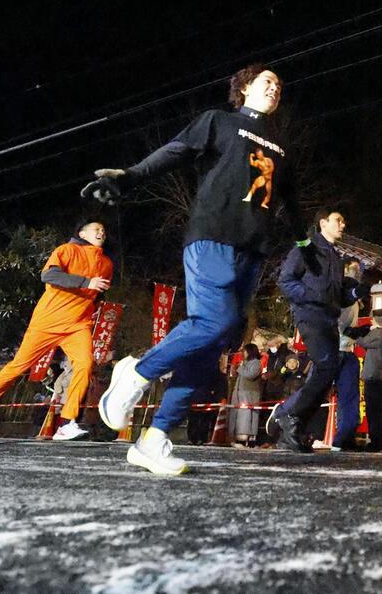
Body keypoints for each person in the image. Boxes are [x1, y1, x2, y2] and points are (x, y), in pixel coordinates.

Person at [87, 64, 306, 475]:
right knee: (213, 320)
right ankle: (136, 371)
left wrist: (306, 246)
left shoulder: (279, 148)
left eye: (279, 83)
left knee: (212, 346)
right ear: (244, 89)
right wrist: (130, 176)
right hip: (212, 237)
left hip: (252, 251)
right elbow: (176, 150)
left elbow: (291, 203)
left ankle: (154, 439)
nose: (275, 87)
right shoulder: (219, 122)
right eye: (266, 81)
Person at [0, 221, 113, 442]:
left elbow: (98, 291)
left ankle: (66, 423)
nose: (101, 232)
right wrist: (86, 282)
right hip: (47, 322)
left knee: (85, 365)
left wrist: (94, 296)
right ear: (82, 233)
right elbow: (49, 276)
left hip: (78, 325)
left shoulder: (107, 263)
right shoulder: (67, 250)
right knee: (18, 367)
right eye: (96, 229)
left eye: (103, 230)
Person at [274, 209, 367, 452]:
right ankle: (288, 414)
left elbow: (338, 298)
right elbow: (285, 280)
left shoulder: (336, 258)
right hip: (310, 316)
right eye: (339, 220)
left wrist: (356, 292)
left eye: (344, 220)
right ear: (323, 223)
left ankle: (292, 426)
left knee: (327, 373)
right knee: (326, 367)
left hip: (329, 320)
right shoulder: (307, 248)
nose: (343, 225)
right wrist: (312, 296)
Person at [332, 258, 363, 452]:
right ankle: (289, 419)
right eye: (352, 269)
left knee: (350, 397)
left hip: (348, 350)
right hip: (333, 348)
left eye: (357, 270)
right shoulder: (337, 292)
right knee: (315, 389)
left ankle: (344, 436)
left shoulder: (356, 298)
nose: (355, 273)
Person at [356, 309, 382, 452]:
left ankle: (376, 442)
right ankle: (379, 441)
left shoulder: (379, 334)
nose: (371, 321)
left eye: (372, 319)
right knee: (378, 411)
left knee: (374, 412)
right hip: (380, 377)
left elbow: (362, 342)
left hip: (374, 376)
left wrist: (353, 333)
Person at [228, 343, 263, 448]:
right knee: (238, 414)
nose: (244, 353)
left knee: (246, 415)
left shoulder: (256, 363)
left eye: (245, 351)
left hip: (249, 393)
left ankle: (246, 438)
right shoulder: (245, 363)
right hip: (240, 391)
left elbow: (250, 375)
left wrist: (239, 368)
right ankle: (237, 436)